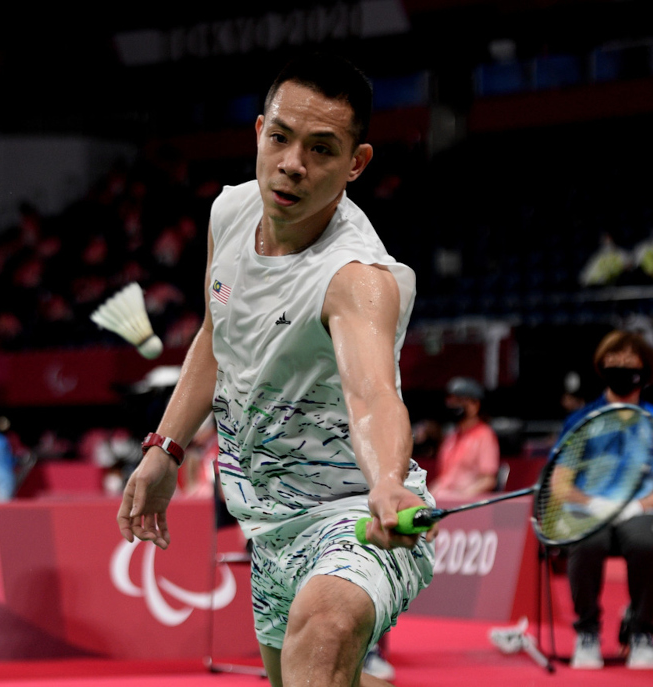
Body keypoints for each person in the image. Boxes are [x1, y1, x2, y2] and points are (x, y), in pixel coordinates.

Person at [117, 52, 435, 687]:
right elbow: (216, 336)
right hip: (269, 525)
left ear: (356, 163)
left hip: (357, 515)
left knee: (325, 633)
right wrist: (166, 448)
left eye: (321, 149)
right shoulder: (230, 215)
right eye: (282, 138)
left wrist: (388, 483)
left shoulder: (355, 279)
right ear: (259, 132)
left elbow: (372, 395)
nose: (293, 163)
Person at [560, 330, 653, 670]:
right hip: (591, 510)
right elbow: (559, 484)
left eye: (629, 362)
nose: (620, 367)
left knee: (646, 542)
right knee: (585, 541)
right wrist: (593, 504)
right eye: (612, 362)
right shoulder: (581, 421)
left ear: (646, 369)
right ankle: (587, 631)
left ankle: (642, 631)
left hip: (640, 510)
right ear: (602, 367)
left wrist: (635, 507)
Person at [429, 377, 500, 500]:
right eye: (451, 401)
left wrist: (460, 498)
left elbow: (488, 480)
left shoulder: (485, 435)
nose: (453, 406)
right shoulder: (451, 436)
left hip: (466, 504)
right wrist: (427, 497)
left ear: (475, 405)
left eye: (459, 401)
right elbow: (443, 478)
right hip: (444, 500)